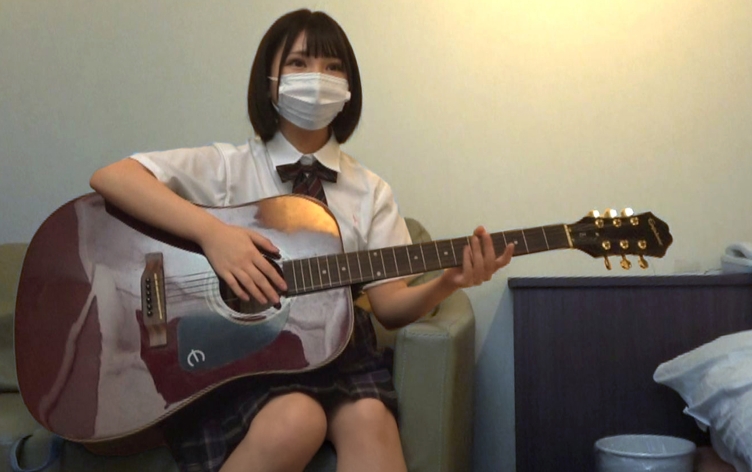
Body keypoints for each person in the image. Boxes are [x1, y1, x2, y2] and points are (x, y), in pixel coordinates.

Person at [89, 8, 513, 472]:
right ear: (269, 81)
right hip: (249, 357)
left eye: (333, 67)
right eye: (298, 63)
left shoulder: (370, 190)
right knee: (298, 419)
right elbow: (113, 177)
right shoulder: (230, 168)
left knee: (372, 419)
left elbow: (389, 305)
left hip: (343, 352)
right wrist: (213, 235)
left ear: (348, 89)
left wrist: (448, 281)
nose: (317, 78)